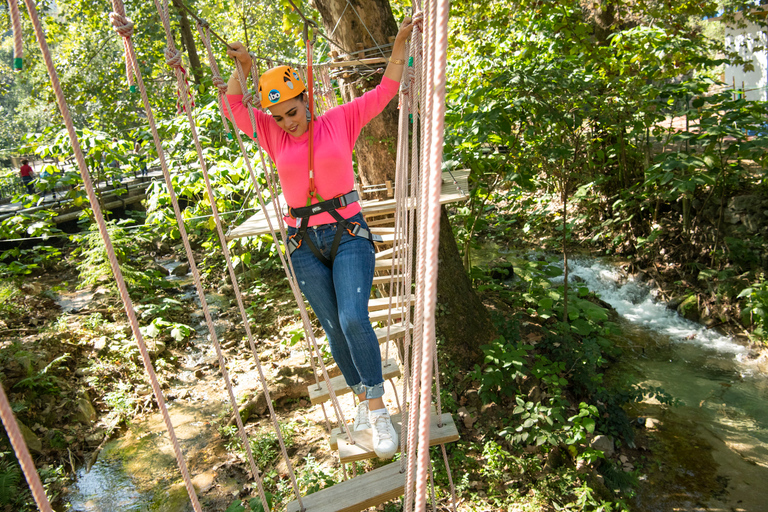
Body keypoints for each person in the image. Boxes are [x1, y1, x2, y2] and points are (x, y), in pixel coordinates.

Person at [225, 14, 421, 459]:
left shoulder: (339, 122)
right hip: (302, 244)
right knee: (333, 328)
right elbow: (236, 109)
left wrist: (399, 45)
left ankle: (377, 410)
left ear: (307, 99)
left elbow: (385, 90)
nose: (287, 122)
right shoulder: (274, 137)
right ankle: (361, 397)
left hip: (349, 233)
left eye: (292, 112)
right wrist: (244, 71)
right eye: (278, 116)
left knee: (353, 318)